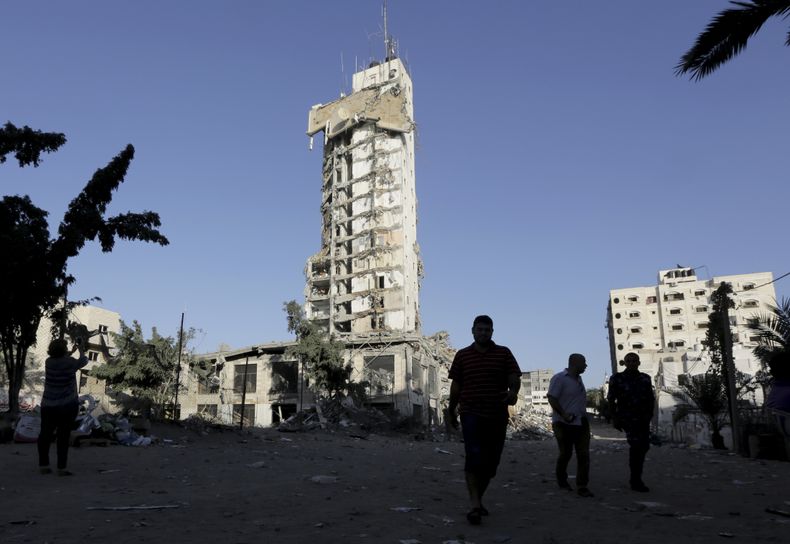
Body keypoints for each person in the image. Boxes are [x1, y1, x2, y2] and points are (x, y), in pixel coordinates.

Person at [447, 315, 521, 525]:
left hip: (497, 414)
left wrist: (513, 392)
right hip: (470, 412)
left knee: (491, 463)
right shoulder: (462, 355)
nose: (483, 333)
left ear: (492, 332)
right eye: (479, 329)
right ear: (472, 331)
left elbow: (514, 378)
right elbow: (456, 386)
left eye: (487, 330)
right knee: (474, 456)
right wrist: (451, 410)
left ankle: (477, 498)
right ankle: (475, 505)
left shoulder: (503, 353)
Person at [37, 336, 88, 475]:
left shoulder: (49, 362)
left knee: (45, 435)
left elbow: (61, 359)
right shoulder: (70, 362)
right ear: (63, 350)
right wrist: (81, 349)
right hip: (67, 405)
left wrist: (71, 352)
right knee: (63, 436)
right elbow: (84, 361)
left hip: (48, 405)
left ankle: (44, 465)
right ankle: (61, 468)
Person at [607, 352, 655, 492]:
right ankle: (636, 480)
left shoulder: (645, 378)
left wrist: (650, 414)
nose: (632, 363)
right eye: (629, 360)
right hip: (627, 418)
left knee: (644, 446)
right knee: (636, 447)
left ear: (639, 363)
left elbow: (650, 398)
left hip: (643, 418)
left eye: (634, 360)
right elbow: (611, 399)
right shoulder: (617, 378)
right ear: (625, 363)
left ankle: (636, 478)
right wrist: (614, 418)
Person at [547, 353, 593, 497]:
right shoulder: (559, 378)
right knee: (566, 453)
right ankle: (562, 480)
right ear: (575, 363)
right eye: (584, 362)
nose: (586, 365)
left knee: (584, 454)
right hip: (563, 423)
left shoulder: (579, 380)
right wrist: (564, 414)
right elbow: (552, 398)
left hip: (581, 422)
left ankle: (582, 485)